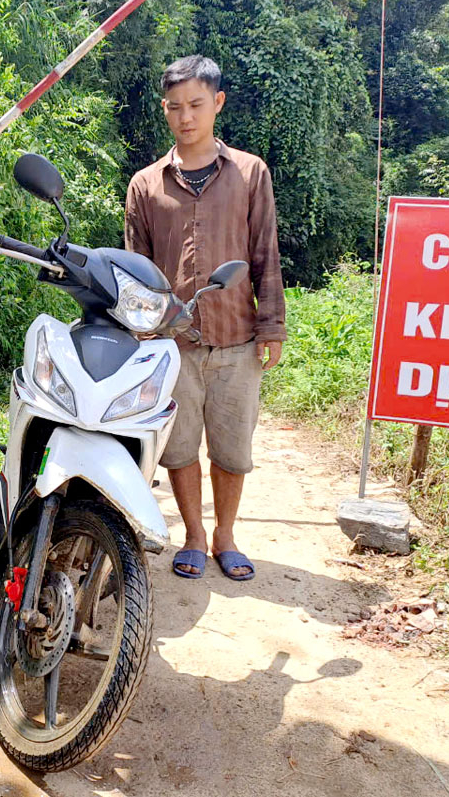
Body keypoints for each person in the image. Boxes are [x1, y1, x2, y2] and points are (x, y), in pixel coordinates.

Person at [124, 55, 286, 582]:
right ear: (164, 110)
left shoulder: (249, 173)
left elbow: (265, 252)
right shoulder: (146, 185)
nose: (185, 117)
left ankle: (226, 536)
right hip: (172, 345)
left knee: (233, 448)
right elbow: (137, 268)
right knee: (179, 445)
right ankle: (194, 534)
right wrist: (140, 335)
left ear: (216, 103)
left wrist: (272, 326)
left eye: (196, 104)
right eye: (174, 107)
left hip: (237, 338)